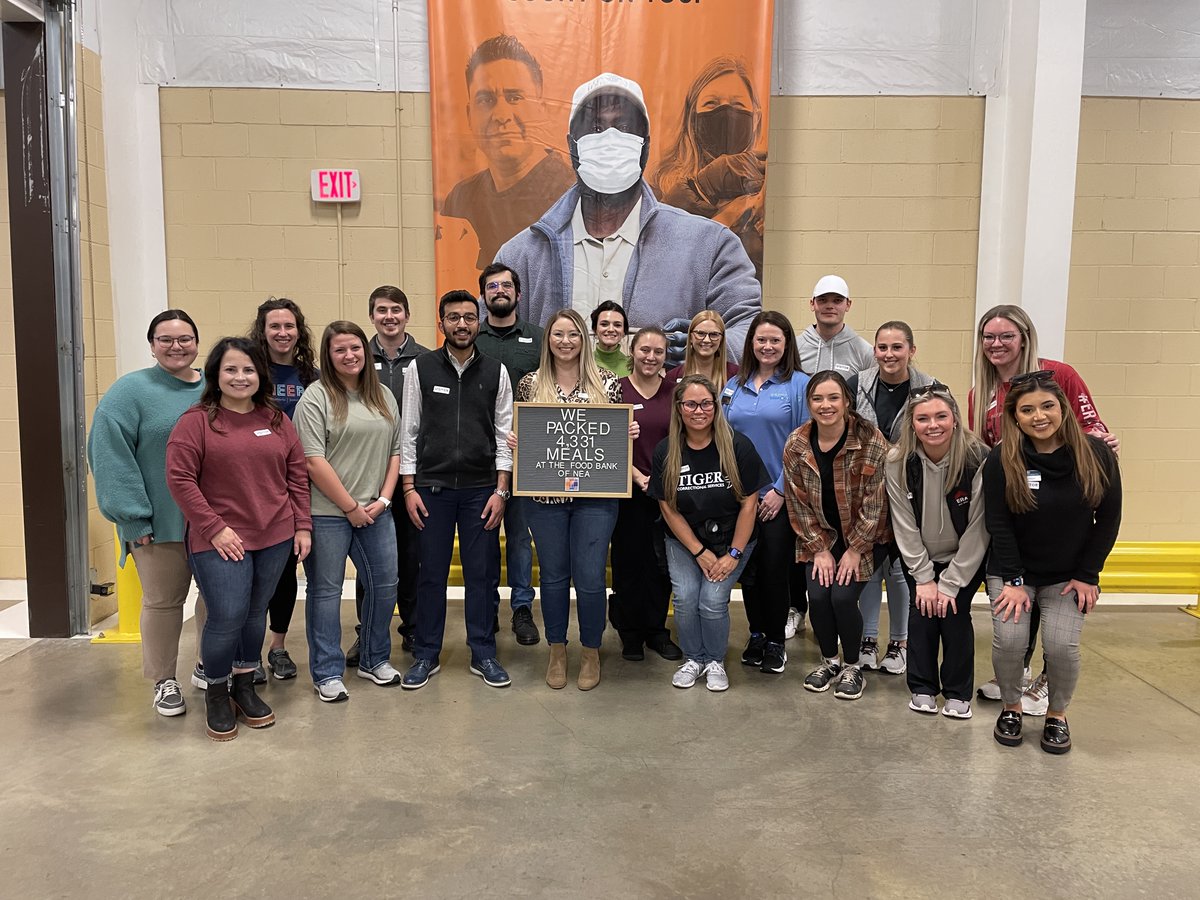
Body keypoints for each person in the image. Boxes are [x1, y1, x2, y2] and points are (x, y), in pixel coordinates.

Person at [495, 72, 761, 365]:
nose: (609, 138)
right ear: (572, 146)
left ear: (645, 146)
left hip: (659, 410)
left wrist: (702, 349)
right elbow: (488, 339)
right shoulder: (521, 257)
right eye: (595, 127)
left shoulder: (710, 247)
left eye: (623, 126)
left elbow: (750, 332)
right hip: (554, 411)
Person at [969, 304, 1118, 713]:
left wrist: (1100, 447)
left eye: (1006, 336)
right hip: (1017, 518)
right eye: (989, 337)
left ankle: (1048, 687)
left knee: (1058, 629)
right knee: (1017, 618)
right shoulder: (979, 394)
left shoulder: (1060, 376)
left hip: (1065, 517)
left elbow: (1093, 431)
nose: (996, 344)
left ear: (1024, 337)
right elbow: (985, 457)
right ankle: (1015, 680)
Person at [166, 337, 311, 740]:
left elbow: (297, 476)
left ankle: (244, 685)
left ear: (259, 375)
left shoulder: (276, 419)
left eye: (248, 369)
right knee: (227, 615)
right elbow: (180, 480)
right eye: (231, 369)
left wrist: (302, 525)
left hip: (275, 535)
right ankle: (216, 690)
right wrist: (214, 528)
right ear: (215, 374)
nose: (240, 376)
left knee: (253, 613)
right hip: (220, 540)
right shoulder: (196, 421)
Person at [983, 372, 1121, 753]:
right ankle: (1011, 707)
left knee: (1061, 647)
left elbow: (1108, 519)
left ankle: (1056, 715)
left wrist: (1087, 576)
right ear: (1014, 416)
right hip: (1014, 571)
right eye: (1027, 410)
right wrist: (1011, 579)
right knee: (1010, 641)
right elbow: (998, 521)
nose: (1038, 416)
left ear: (1063, 407)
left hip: (1068, 575)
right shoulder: (1003, 458)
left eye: (1047, 406)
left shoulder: (1097, 454)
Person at [88, 310, 206, 718]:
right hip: (159, 523)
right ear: (152, 343)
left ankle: (209, 665)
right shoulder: (129, 392)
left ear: (196, 341)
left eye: (185, 338)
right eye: (166, 339)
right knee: (163, 602)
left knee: (218, 599)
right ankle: (164, 681)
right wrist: (133, 518)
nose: (177, 346)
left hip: (214, 522)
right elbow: (110, 458)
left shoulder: (216, 386)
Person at [509, 309, 635, 691]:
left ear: (585, 340)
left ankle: (592, 649)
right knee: (553, 576)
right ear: (548, 339)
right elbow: (522, 431)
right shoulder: (530, 384)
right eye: (558, 334)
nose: (566, 341)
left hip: (595, 496)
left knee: (592, 577)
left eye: (574, 335)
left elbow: (614, 442)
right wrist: (516, 442)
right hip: (544, 495)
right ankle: (558, 648)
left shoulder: (609, 383)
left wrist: (626, 433)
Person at [399, 291, 514, 690]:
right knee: (429, 573)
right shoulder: (420, 368)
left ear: (478, 321)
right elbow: (409, 431)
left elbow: (503, 434)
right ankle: (426, 654)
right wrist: (409, 487)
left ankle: (483, 652)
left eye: (468, 317)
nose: (461, 324)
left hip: (481, 491)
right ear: (441, 322)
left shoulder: (496, 371)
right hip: (431, 489)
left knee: (481, 575)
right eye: (453, 318)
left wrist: (502, 490)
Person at [294, 322, 401, 702]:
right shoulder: (315, 398)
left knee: (385, 586)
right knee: (326, 593)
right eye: (340, 350)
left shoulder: (383, 396)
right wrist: (351, 507)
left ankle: (374, 659)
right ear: (329, 355)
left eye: (355, 347)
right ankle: (326, 672)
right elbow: (312, 461)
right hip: (327, 514)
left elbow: (396, 452)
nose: (350, 355)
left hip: (377, 511)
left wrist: (385, 500)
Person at [650, 375, 768, 691]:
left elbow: (748, 505)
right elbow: (668, 509)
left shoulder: (737, 445)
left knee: (712, 600)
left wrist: (733, 554)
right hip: (685, 540)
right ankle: (694, 658)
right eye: (691, 403)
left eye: (706, 403)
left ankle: (714, 660)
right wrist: (699, 552)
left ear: (716, 407)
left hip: (733, 538)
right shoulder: (667, 450)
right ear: (679, 408)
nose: (699, 410)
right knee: (687, 598)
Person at [784, 371, 891, 701]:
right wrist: (819, 548)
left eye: (833, 398)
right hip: (820, 538)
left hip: (866, 537)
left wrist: (856, 549)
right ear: (809, 404)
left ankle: (854, 666)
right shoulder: (797, 444)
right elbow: (796, 502)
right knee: (817, 596)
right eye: (817, 399)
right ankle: (829, 662)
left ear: (847, 402)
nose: (825, 405)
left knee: (842, 597)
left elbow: (877, 503)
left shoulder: (871, 440)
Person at [885, 383, 989, 719]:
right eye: (923, 418)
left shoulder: (978, 457)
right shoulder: (899, 460)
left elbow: (979, 527)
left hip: (964, 557)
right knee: (923, 613)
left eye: (941, 416)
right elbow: (903, 523)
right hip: (920, 557)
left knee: (954, 614)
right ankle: (922, 688)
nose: (933, 425)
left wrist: (952, 581)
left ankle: (958, 693)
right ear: (912, 424)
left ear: (955, 419)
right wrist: (925, 578)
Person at [845, 321, 937, 675]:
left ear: (911, 351)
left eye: (897, 347)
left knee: (900, 568)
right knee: (869, 567)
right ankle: (868, 639)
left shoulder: (929, 388)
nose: (889, 354)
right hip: (864, 491)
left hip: (910, 492)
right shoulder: (857, 384)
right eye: (882, 347)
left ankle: (899, 642)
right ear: (874, 351)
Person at [345, 286, 430, 668]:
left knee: (411, 559)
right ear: (372, 316)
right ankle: (368, 632)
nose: (389, 316)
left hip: (412, 478)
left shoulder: (426, 360)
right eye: (382, 310)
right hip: (368, 479)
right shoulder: (357, 358)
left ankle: (412, 627)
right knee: (370, 563)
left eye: (396, 309)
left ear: (407, 316)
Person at [721, 311, 810, 675]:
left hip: (777, 497)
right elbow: (722, 440)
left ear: (786, 344)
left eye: (775, 340)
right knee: (749, 571)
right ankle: (755, 634)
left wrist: (781, 491)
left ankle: (775, 640)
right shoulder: (733, 385)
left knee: (775, 570)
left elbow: (806, 444)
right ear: (751, 344)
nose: (768, 346)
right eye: (761, 340)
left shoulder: (800, 385)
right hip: (739, 497)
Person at [441, 34, 575, 269]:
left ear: (541, 110)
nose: (501, 116)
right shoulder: (460, 199)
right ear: (469, 115)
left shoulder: (572, 195)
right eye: (486, 100)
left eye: (515, 97)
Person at [248, 296, 319, 682]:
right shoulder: (249, 371)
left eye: (289, 326)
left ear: (299, 331)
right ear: (263, 331)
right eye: (274, 326)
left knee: (285, 571)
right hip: (258, 486)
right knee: (254, 575)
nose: (282, 333)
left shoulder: (313, 376)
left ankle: (277, 647)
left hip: (301, 484)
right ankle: (249, 654)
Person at [474, 262, 543, 646]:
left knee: (519, 537)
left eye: (506, 285)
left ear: (518, 293)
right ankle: (485, 605)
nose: (499, 290)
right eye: (491, 286)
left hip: (528, 456)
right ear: (483, 295)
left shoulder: (538, 337)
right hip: (479, 457)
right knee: (483, 535)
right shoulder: (471, 337)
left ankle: (521, 609)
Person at [651, 56, 766, 279]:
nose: (726, 114)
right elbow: (653, 248)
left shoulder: (767, 193)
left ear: (756, 117)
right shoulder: (659, 187)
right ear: (692, 117)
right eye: (711, 104)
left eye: (738, 105)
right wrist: (704, 186)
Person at [611, 327, 680, 662]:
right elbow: (602, 444)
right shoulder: (616, 391)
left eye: (658, 351)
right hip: (628, 491)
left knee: (660, 565)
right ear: (632, 351)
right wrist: (637, 476)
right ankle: (630, 633)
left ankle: (656, 630)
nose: (651, 357)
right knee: (628, 563)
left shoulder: (675, 393)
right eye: (644, 350)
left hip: (667, 491)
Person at [797, 275, 874, 377]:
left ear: (848, 305)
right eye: (822, 300)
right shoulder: (795, 347)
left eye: (837, 301)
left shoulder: (864, 351)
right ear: (812, 304)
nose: (829, 306)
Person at [664, 310, 739, 389]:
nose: (707, 340)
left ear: (721, 339)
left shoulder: (736, 375)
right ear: (690, 337)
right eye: (700, 333)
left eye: (714, 334)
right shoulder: (672, 377)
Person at [590, 300, 632, 377]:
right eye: (604, 324)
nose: (611, 329)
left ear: (624, 332)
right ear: (595, 329)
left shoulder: (632, 367)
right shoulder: (582, 364)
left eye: (617, 325)